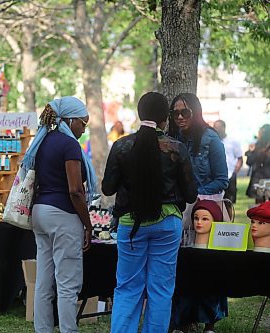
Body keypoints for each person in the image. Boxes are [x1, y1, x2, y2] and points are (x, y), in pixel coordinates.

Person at [102, 92, 197, 333]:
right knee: (161, 289)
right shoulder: (177, 148)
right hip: (168, 225)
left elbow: (108, 187)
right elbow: (191, 195)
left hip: (131, 224)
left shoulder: (122, 145)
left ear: (139, 113)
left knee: (127, 287)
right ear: (166, 118)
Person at [23, 96, 97, 333]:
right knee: (67, 284)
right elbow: (75, 191)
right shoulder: (69, 145)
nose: (84, 129)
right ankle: (68, 330)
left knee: (44, 282)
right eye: (83, 124)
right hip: (62, 214)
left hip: (40, 212)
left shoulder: (43, 141)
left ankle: (42, 329)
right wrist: (88, 224)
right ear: (71, 120)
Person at [168, 93, 229, 333]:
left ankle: (209, 322)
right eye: (175, 113)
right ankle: (182, 320)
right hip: (179, 213)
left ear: (196, 112)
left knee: (208, 266)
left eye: (185, 112)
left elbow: (222, 180)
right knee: (181, 266)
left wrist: (194, 194)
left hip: (205, 210)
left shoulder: (211, 139)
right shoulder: (171, 139)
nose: (180, 117)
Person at [213, 120, 243, 203]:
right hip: (216, 177)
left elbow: (240, 158)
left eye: (219, 127)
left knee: (230, 202)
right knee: (218, 202)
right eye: (215, 127)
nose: (217, 130)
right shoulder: (212, 142)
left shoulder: (233, 142)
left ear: (224, 128)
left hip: (230, 175)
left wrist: (235, 172)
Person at [245, 124, 270, 203]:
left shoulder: (257, 146)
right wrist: (252, 152)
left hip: (260, 178)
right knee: (260, 204)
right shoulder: (256, 146)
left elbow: (249, 162)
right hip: (259, 179)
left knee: (261, 205)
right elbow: (249, 162)